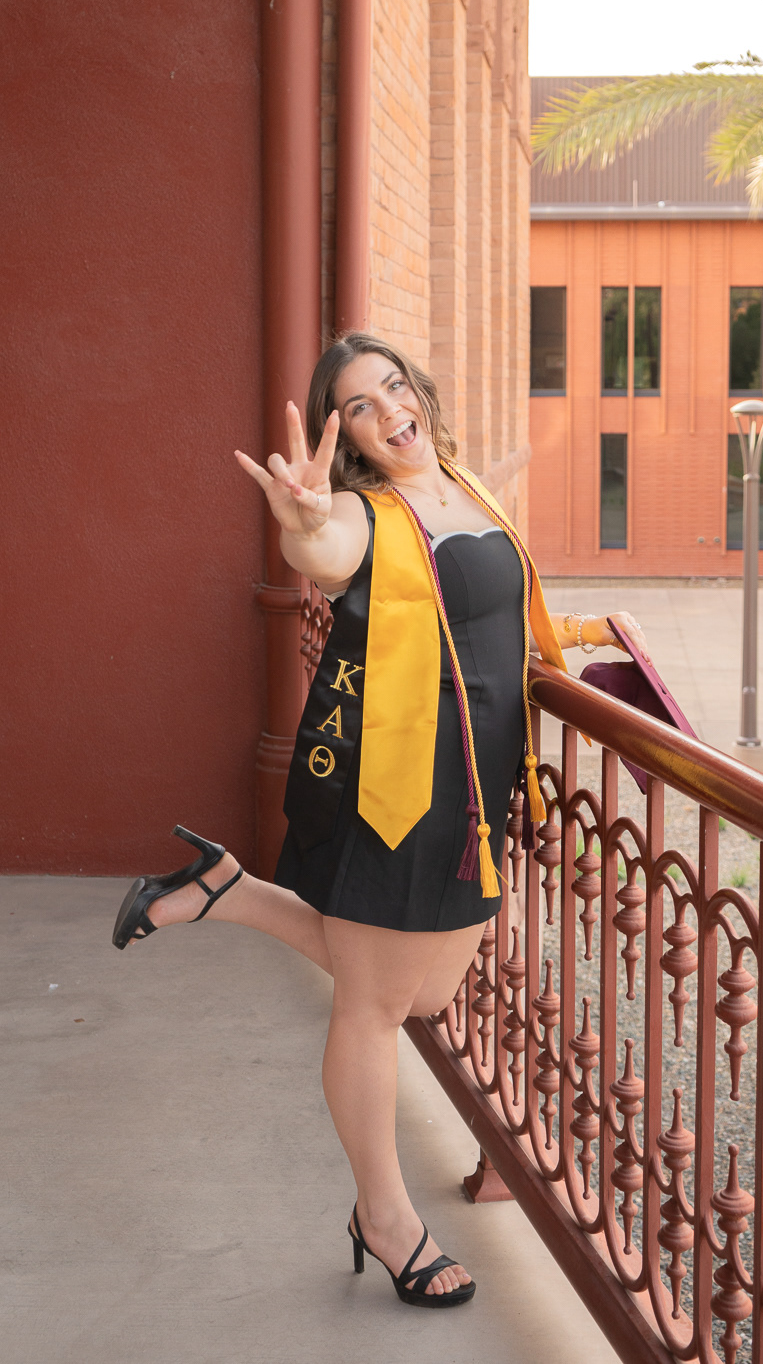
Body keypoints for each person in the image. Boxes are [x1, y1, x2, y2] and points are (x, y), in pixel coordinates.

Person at [112, 331, 648, 1310]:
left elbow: (490, 607)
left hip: (480, 785)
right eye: (359, 404)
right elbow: (325, 550)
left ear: (419, 391)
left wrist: (577, 631)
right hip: (399, 783)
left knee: (425, 985)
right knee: (371, 1004)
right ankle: (385, 1215)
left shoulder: (461, 482)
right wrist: (304, 520)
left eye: (393, 386)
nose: (388, 409)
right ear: (345, 435)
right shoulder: (366, 511)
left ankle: (223, 892)